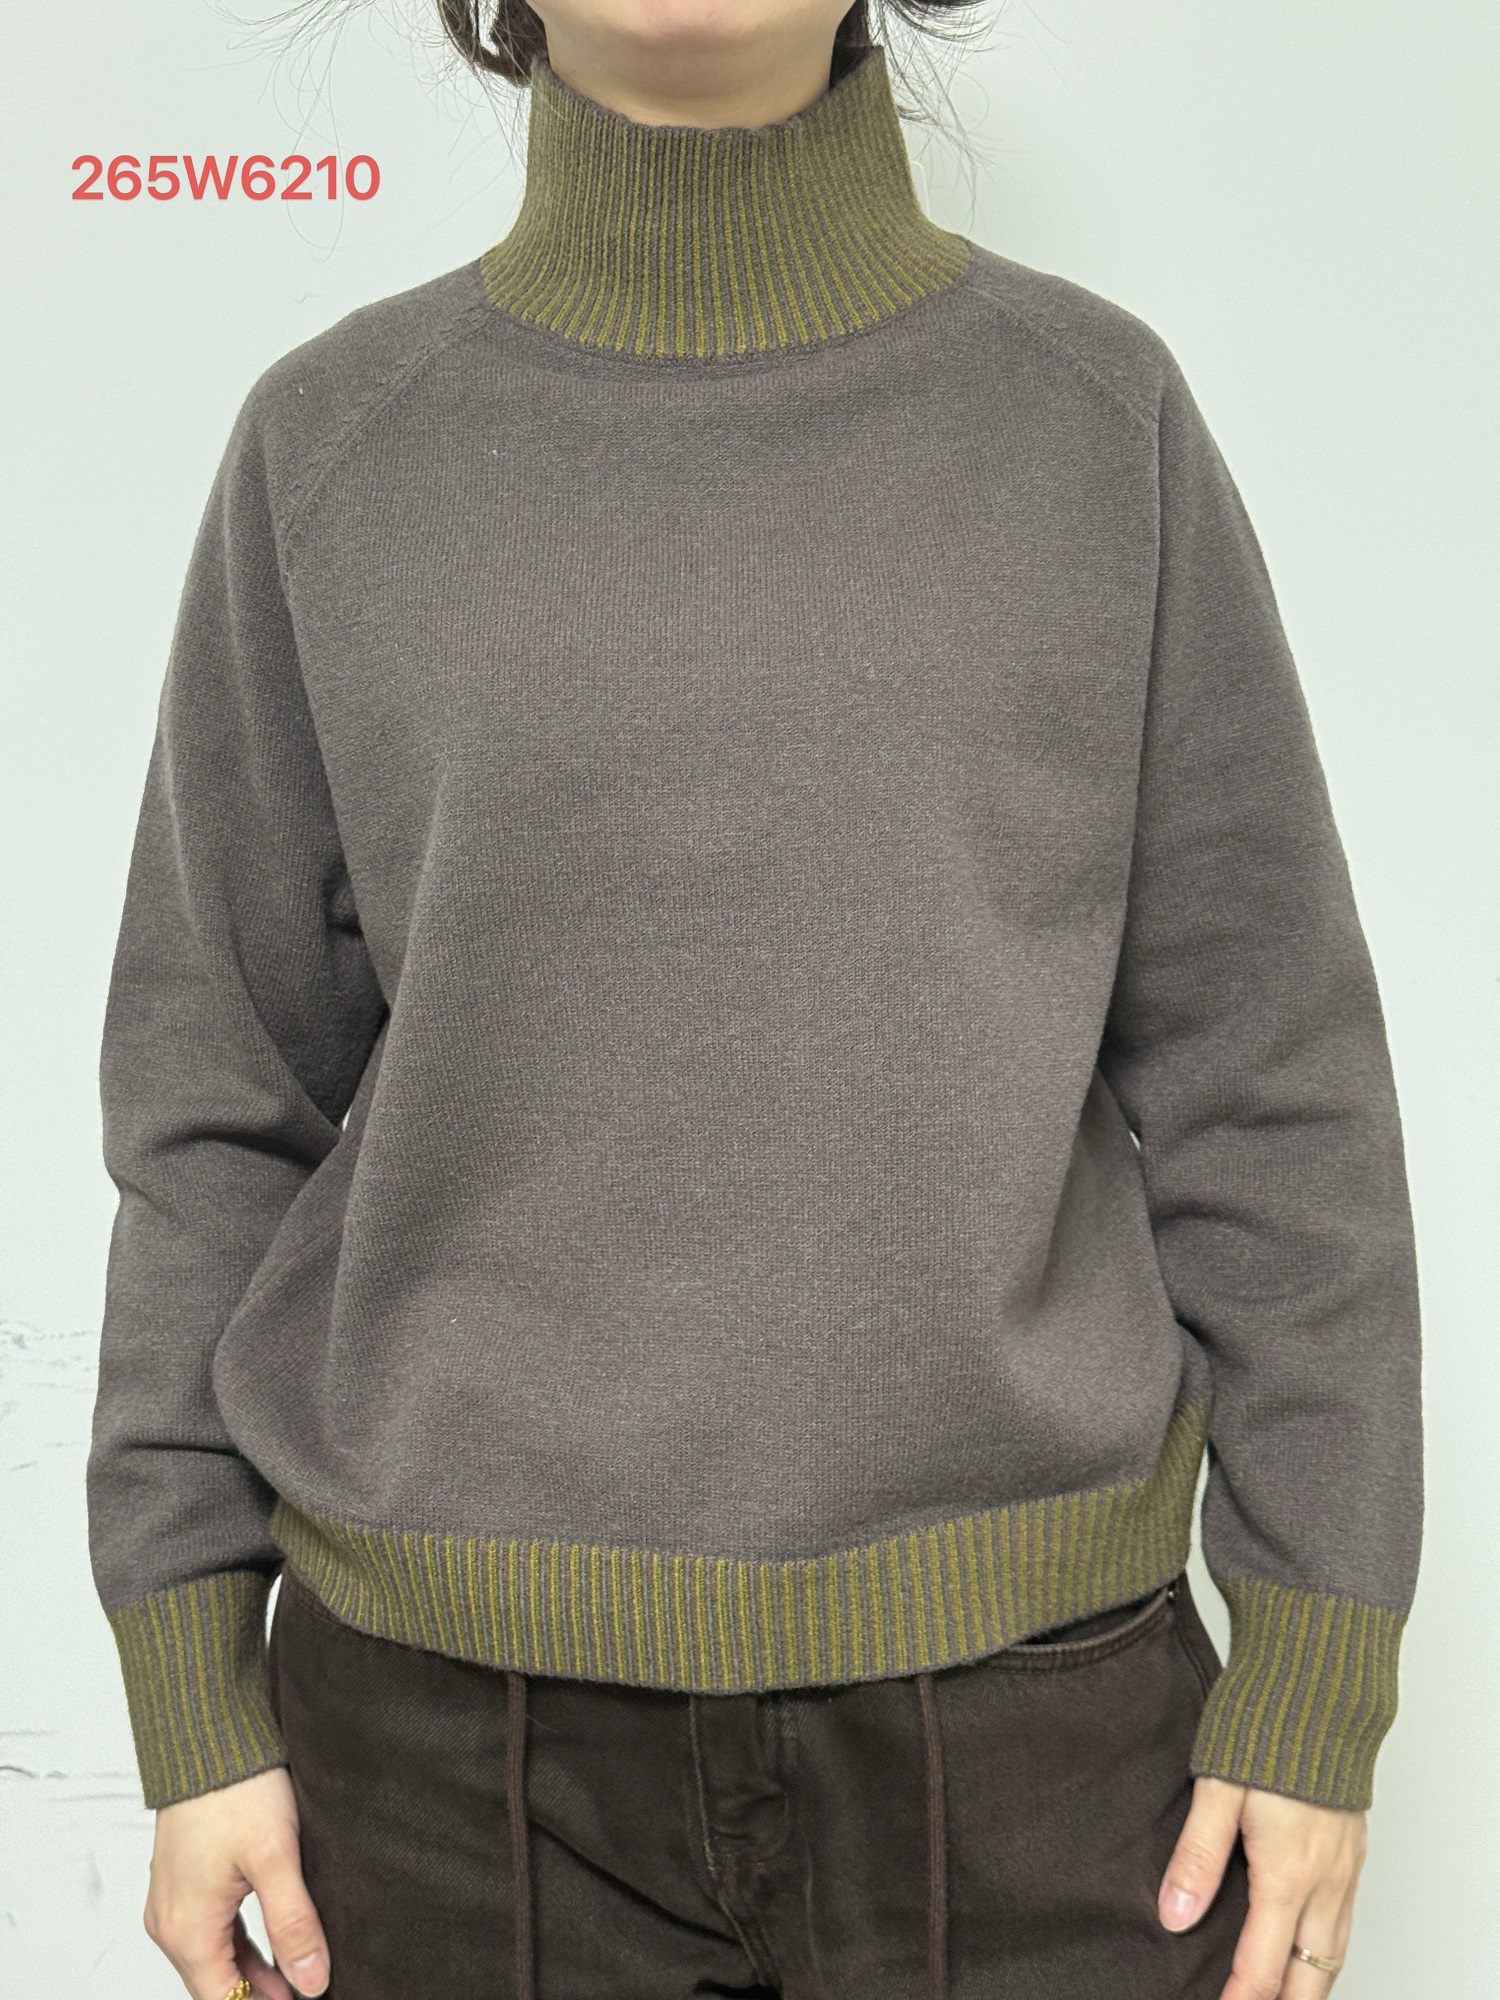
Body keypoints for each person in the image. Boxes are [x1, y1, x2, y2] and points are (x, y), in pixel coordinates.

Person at [84, 2, 1423, 1997]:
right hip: (439, 1769)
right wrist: (191, 1682)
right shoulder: (334, 448)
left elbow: (1270, 1079)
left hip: (1045, 1754)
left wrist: (1316, 1664)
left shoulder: (1093, 421)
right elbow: (216, 1103)